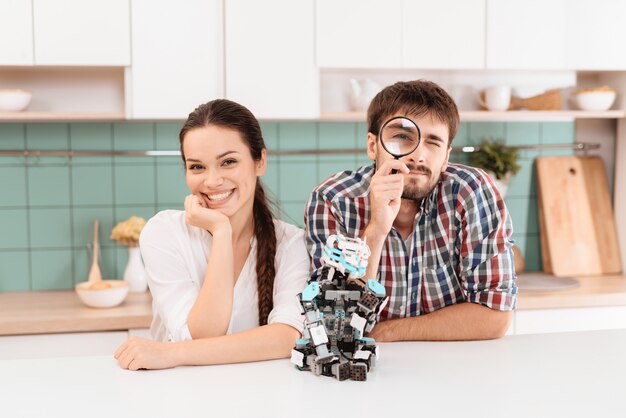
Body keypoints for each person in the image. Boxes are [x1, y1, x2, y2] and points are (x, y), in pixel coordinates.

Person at [305, 80, 517, 342]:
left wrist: (391, 331)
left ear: (446, 156)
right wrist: (375, 233)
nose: (418, 155)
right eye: (403, 137)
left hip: (457, 369)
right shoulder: (333, 201)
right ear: (373, 146)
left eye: (433, 142)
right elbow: (334, 327)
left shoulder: (471, 192)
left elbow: (495, 315)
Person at [115, 99, 309, 370]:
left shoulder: (291, 242)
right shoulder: (163, 233)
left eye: (228, 162)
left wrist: (172, 354)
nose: (212, 181)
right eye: (197, 167)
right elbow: (202, 335)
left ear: (260, 161)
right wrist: (221, 232)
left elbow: (287, 337)